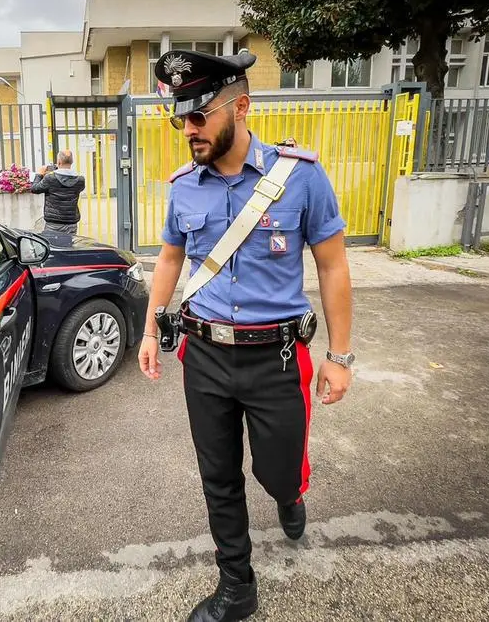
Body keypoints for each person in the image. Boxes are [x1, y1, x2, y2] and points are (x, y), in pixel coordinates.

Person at [137, 49, 354, 622]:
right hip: (204, 354)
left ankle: (289, 494)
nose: (189, 129)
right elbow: (168, 259)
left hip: (277, 358)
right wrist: (150, 326)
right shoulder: (184, 186)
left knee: (276, 470)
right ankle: (238, 585)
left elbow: (333, 266)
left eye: (200, 115)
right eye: (181, 117)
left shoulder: (300, 176)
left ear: (241, 107)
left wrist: (340, 356)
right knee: (219, 475)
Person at [31, 149, 85, 234]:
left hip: (54, 223)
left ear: (59, 162)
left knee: (53, 246)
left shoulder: (50, 178)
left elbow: (34, 189)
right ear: (72, 162)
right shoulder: (80, 180)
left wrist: (39, 174)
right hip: (71, 222)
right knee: (69, 246)